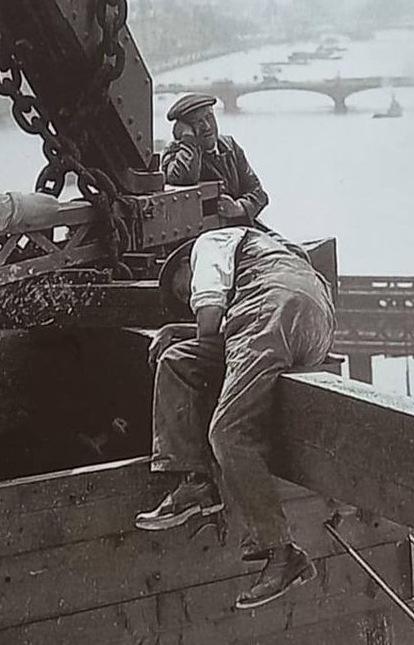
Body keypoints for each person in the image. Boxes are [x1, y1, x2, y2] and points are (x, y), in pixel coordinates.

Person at [135, 225, 335, 610]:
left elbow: (209, 317)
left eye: (182, 290)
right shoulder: (267, 249)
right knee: (178, 362)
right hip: (312, 321)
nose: (186, 297)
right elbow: (214, 341)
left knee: (228, 432)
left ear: (186, 263)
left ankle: (282, 554)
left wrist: (188, 324)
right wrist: (176, 335)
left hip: (271, 311)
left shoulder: (210, 244)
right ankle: (195, 483)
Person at [162, 94, 268, 227]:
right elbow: (185, 179)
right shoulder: (175, 154)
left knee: (289, 247)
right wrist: (189, 141)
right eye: (198, 122)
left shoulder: (229, 146)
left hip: (244, 227)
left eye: (209, 117)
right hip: (209, 236)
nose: (207, 126)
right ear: (184, 129)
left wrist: (238, 208)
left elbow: (259, 193)